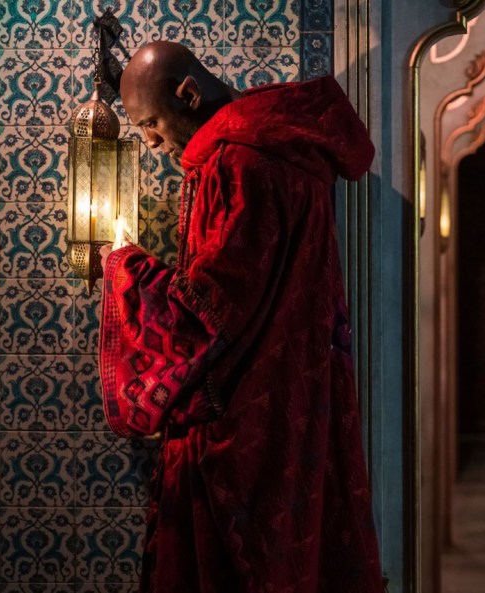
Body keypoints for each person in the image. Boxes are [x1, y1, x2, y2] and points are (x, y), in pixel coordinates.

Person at [97, 41, 382, 593]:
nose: (150, 142)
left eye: (151, 123)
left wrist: (125, 266)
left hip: (243, 415)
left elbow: (208, 312)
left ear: (188, 93)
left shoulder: (238, 163)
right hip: (300, 396)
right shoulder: (285, 145)